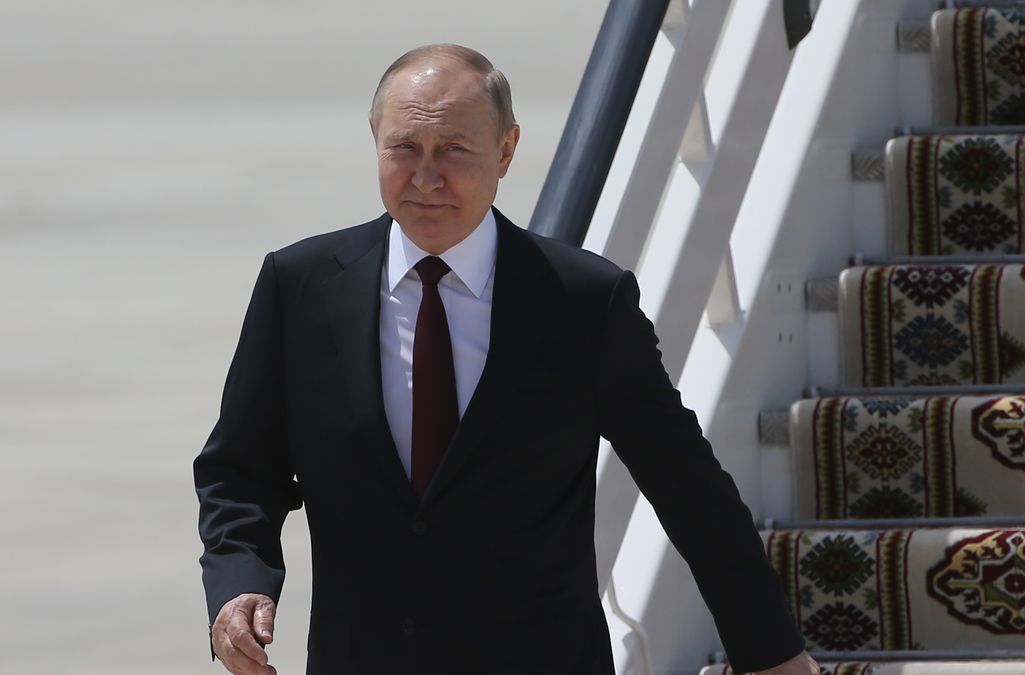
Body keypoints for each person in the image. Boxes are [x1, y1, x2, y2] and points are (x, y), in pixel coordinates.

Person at [194, 44, 819, 675]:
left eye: (454, 151)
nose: (426, 177)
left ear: (507, 151)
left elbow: (686, 485)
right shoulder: (299, 286)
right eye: (404, 147)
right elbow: (242, 469)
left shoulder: (583, 301)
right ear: (375, 141)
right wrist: (239, 584)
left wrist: (772, 654)